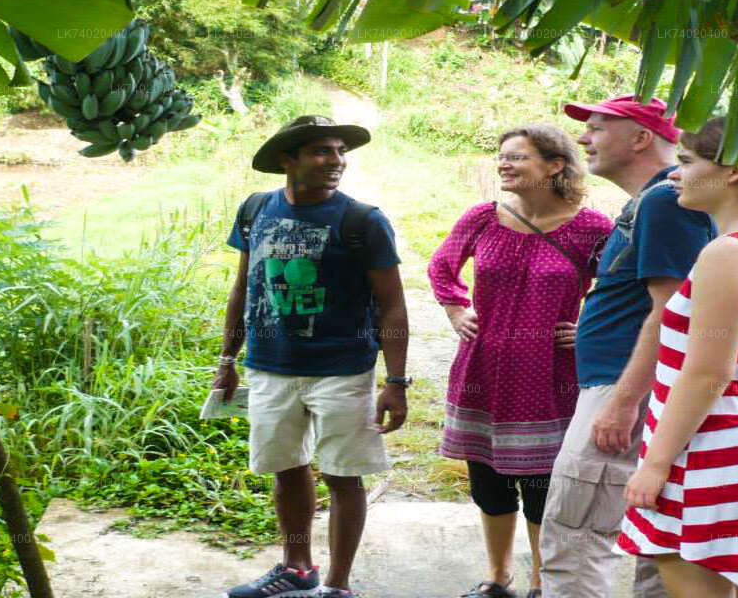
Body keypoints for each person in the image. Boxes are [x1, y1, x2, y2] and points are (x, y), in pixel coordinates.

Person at [214, 115, 411, 598]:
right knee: (286, 468)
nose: (337, 161)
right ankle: (297, 567)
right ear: (288, 159)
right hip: (271, 366)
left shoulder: (363, 221)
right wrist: (227, 360)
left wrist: (396, 381)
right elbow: (245, 285)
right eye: (322, 151)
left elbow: (392, 302)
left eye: (340, 151)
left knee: (343, 475)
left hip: (342, 370)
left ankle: (337, 587)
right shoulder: (255, 209)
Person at [617, 117, 738, 597]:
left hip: (711, 453)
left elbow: (707, 372)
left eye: (685, 162)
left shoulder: (730, 253)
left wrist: (656, 463)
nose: (673, 175)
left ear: (734, 171)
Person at [539, 95, 717, 598]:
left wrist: (621, 401)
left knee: (575, 533)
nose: (582, 139)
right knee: (652, 537)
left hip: (625, 391)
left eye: (596, 128)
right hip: (631, 387)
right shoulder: (655, 200)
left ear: (641, 138)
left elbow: (673, 314)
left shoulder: (664, 201)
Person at [429, 125, 614, 598]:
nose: (504, 164)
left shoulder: (592, 228)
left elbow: (623, 290)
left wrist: (589, 329)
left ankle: (540, 583)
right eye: (502, 157)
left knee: (541, 489)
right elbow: (441, 266)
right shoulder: (483, 218)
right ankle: (498, 578)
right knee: (488, 485)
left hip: (549, 377)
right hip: (482, 372)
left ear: (555, 166)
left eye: (518, 157)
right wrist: (455, 307)